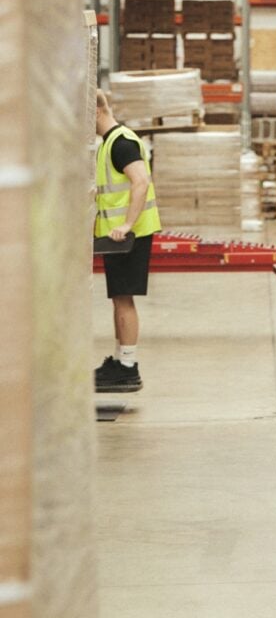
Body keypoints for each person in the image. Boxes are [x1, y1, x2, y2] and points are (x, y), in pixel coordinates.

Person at [94, 90, 161, 393]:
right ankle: (120, 361)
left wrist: (127, 224)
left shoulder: (121, 143)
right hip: (115, 238)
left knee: (124, 300)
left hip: (128, 237)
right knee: (119, 298)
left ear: (97, 112)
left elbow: (141, 182)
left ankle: (128, 367)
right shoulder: (108, 143)